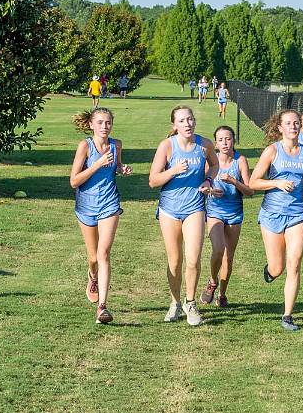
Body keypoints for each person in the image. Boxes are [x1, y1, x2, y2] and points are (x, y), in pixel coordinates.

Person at [148, 106, 221, 326]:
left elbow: (215, 165)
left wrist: (208, 180)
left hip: (194, 208)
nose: (187, 124)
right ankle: (175, 302)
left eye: (190, 119)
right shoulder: (167, 146)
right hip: (169, 210)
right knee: (175, 260)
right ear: (175, 125)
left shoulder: (204, 145)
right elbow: (153, 181)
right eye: (182, 121)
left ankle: (191, 303)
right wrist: (173, 171)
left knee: (193, 258)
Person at [249, 109, 303, 331]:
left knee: (294, 263)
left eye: (296, 123)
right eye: (288, 123)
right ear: (280, 128)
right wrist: (276, 183)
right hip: (272, 214)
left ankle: (287, 316)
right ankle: (270, 271)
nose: (293, 126)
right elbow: (253, 182)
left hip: (298, 214)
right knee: (278, 267)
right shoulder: (272, 151)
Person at [70, 107, 132, 324]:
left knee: (104, 253)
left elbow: (114, 167)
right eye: (100, 123)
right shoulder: (85, 147)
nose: (105, 127)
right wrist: (96, 164)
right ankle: (92, 276)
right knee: (93, 257)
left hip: (109, 204)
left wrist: (121, 169)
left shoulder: (116, 145)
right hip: (86, 206)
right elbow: (74, 181)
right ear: (91, 125)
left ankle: (102, 307)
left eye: (108, 123)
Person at [200, 126, 253, 307]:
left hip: (235, 212)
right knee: (218, 249)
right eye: (220, 139)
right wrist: (210, 191)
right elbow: (202, 187)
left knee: (228, 257)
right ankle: (212, 282)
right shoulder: (210, 162)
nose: (224, 143)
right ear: (215, 143)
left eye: (228, 139)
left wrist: (233, 181)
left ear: (233, 141)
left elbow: (250, 191)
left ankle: (222, 294)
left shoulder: (241, 161)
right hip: (215, 211)